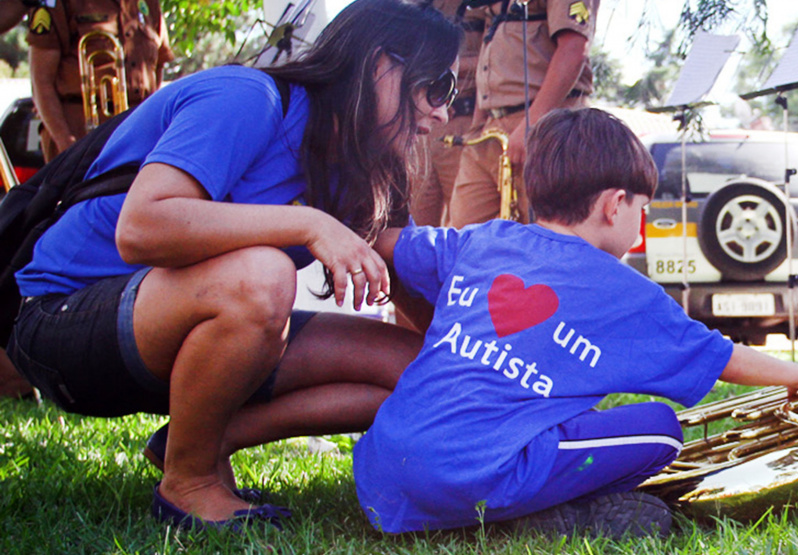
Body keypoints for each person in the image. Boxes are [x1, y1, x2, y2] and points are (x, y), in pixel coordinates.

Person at [7, 0, 461, 529]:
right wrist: (308, 224)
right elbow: (141, 227)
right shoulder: (248, 98)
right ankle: (189, 482)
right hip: (63, 320)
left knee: (418, 370)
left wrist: (486, 368)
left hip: (181, 330)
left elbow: (413, 289)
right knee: (262, 276)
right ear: (380, 65)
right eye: (437, 86)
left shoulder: (365, 168)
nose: (442, 113)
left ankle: (198, 441)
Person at [353, 108, 798, 537]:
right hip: (476, 480)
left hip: (380, 475)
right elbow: (720, 355)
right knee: (662, 432)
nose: (641, 221)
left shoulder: (482, 239)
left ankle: (496, 503)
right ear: (615, 205)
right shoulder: (625, 292)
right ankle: (544, 515)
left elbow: (392, 244)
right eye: (642, 209)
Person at [448, 0, 598, 227]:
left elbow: (574, 49)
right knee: (464, 234)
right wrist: (478, 126)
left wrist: (532, 123)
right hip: (491, 128)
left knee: (544, 232)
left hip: (544, 126)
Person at [26, 0, 173, 161]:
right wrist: (65, 143)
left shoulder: (150, 4)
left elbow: (159, 63)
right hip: (80, 133)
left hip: (137, 136)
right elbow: (41, 81)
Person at [408, 0, 484, 228]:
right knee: (414, 225)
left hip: (463, 122)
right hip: (419, 127)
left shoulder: (482, 6)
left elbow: (497, 57)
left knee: (465, 223)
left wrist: (440, 65)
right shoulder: (414, 7)